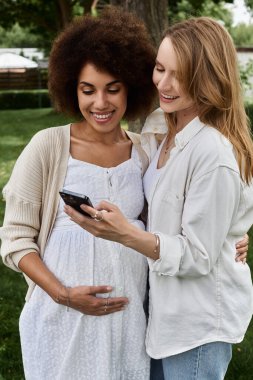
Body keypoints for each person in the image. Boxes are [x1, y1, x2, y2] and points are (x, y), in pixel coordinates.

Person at [65, 17, 253, 379]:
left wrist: (125, 234)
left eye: (178, 75)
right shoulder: (162, 127)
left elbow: (199, 256)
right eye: (159, 68)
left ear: (209, 77)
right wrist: (230, 232)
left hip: (196, 327)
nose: (163, 84)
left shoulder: (211, 153)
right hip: (163, 315)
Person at [0, 7, 157, 380]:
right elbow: (14, 240)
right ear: (71, 87)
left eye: (112, 89)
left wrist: (230, 240)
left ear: (131, 87)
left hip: (129, 323)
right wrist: (64, 294)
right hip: (60, 318)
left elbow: (169, 224)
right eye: (88, 90)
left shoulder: (145, 152)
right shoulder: (47, 146)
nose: (100, 103)